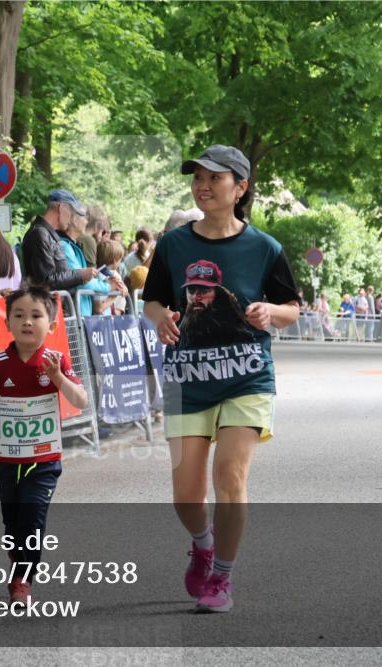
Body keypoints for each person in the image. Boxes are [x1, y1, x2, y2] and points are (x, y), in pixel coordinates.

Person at [142, 144, 299, 613]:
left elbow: (292, 308)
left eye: (214, 177)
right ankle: (203, 543)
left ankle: (222, 577)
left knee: (230, 476)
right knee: (186, 495)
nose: (202, 185)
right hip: (187, 379)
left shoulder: (265, 248)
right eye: (197, 177)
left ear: (241, 187)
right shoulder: (173, 244)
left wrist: (271, 311)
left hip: (246, 377)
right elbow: (152, 300)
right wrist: (159, 318)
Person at [0, 286, 89, 606]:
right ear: (7, 323)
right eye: (19, 315)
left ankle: (22, 580)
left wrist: (58, 379)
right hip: (8, 461)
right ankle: (19, 565)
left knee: (32, 517)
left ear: (51, 325)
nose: (27, 322)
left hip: (44, 461)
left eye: (36, 315)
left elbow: (79, 399)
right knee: (13, 522)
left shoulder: (56, 361)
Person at [20, 190, 97, 295]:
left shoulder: (46, 234)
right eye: (71, 213)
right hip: (48, 306)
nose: (71, 220)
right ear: (61, 208)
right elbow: (45, 281)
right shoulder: (39, 234)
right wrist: (80, 275)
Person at [59, 210, 124, 316]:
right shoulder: (88, 240)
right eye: (104, 232)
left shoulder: (74, 243)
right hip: (81, 309)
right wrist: (110, 285)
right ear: (98, 227)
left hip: (82, 306)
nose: (103, 238)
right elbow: (88, 276)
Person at [94, 240, 129, 316]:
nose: (121, 262)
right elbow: (99, 308)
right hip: (101, 320)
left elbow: (125, 290)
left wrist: (123, 289)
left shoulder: (109, 274)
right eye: (120, 259)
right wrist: (114, 296)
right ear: (115, 260)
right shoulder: (100, 277)